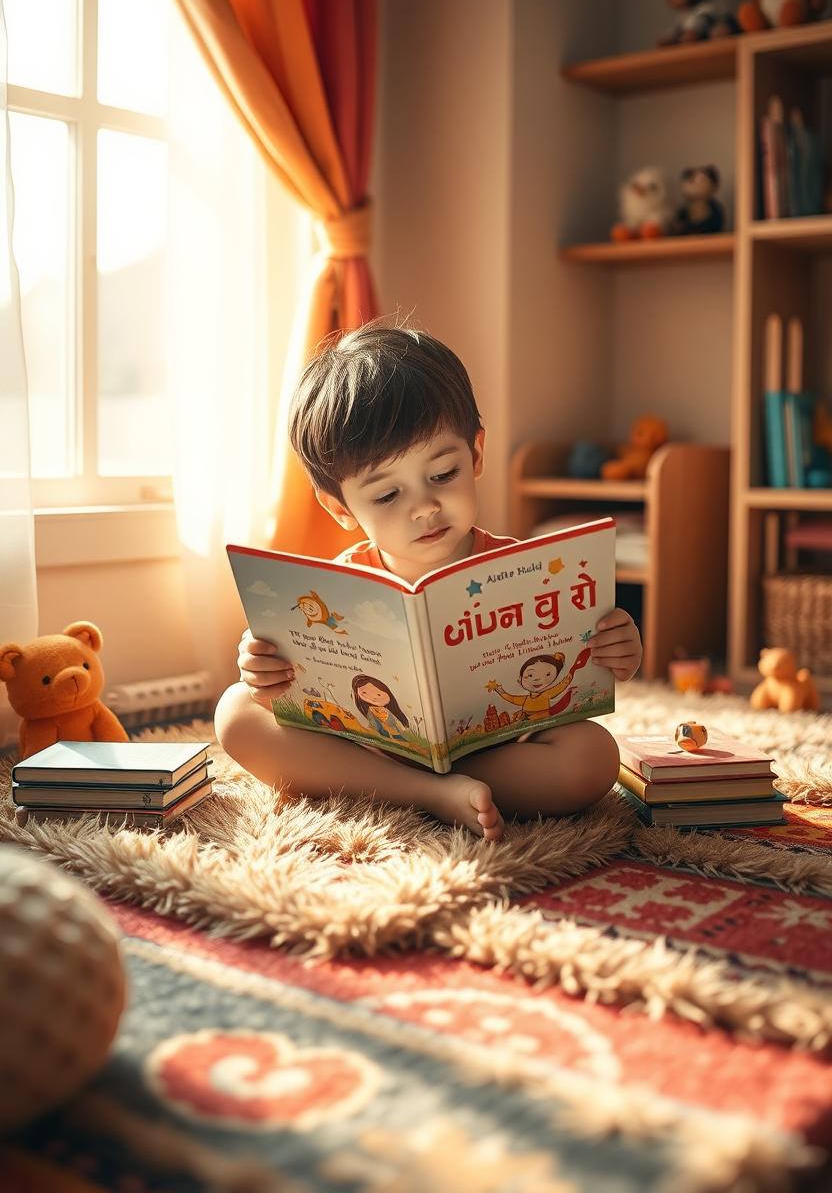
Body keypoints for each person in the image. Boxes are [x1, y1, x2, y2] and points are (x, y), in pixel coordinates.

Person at [215, 323, 642, 842]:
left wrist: (616, 649)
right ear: (340, 508)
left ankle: (423, 785)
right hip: (365, 749)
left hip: (496, 752)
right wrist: (264, 668)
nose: (425, 507)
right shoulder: (334, 590)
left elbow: (576, 672)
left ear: (476, 455)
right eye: (387, 496)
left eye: (442, 475)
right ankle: (427, 793)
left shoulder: (522, 572)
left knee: (594, 757)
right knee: (234, 713)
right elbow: (286, 690)